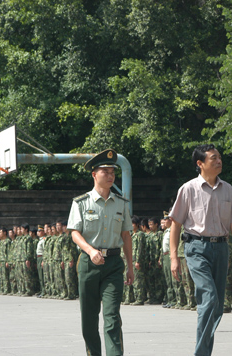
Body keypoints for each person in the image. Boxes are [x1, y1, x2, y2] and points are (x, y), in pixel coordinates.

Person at [169, 144, 232, 356]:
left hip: (221, 248)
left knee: (217, 307)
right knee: (209, 297)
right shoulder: (188, 189)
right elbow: (175, 224)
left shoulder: (228, 189)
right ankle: (201, 353)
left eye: (220, 157)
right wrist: (174, 257)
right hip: (196, 248)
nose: (219, 161)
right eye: (213, 158)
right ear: (200, 163)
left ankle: (204, 351)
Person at [67, 148, 133, 356]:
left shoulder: (121, 204)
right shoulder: (81, 203)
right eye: (106, 171)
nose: (111, 175)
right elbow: (75, 233)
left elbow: (126, 236)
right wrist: (89, 250)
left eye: (113, 172)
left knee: (112, 317)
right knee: (89, 318)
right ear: (94, 174)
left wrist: (130, 266)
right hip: (88, 264)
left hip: (113, 264)